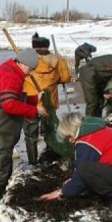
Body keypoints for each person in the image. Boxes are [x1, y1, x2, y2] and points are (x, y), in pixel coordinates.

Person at [0, 48, 47, 209]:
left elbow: (13, 97)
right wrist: (34, 110)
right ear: (22, 64)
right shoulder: (11, 76)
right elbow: (9, 105)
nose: (30, 73)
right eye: (30, 69)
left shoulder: (8, 69)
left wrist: (34, 99)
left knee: (3, 171)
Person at [38, 112, 112, 204]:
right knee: (86, 169)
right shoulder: (97, 130)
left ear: (72, 132)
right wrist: (73, 180)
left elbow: (83, 169)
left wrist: (62, 192)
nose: (70, 141)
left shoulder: (87, 141)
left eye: (68, 137)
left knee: (85, 168)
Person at [23, 34, 74, 164]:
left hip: (30, 101)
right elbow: (66, 78)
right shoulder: (57, 60)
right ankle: (50, 154)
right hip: (49, 102)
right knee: (50, 130)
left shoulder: (26, 60)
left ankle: (32, 161)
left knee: (30, 134)